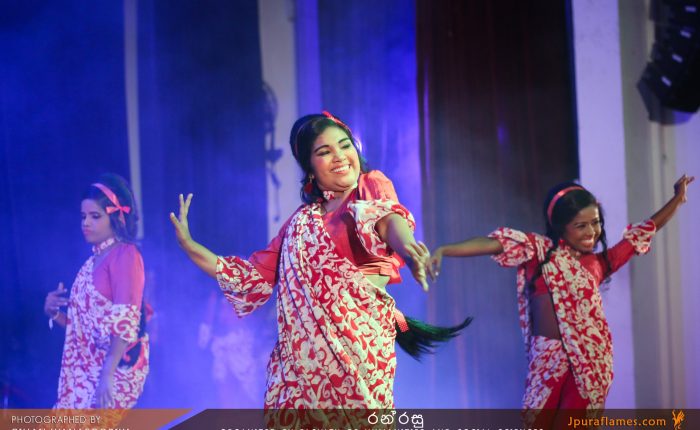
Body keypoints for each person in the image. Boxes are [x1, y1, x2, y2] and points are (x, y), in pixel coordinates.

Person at [171, 112, 469, 409]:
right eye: (325, 152)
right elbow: (250, 277)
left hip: (358, 364)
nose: (339, 156)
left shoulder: (369, 187)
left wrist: (409, 249)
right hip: (300, 378)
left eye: (345, 145)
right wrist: (190, 246)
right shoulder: (299, 224)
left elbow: (389, 219)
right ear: (310, 169)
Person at [428, 175, 693, 423]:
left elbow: (644, 232)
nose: (591, 232)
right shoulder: (539, 251)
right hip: (547, 360)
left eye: (596, 222)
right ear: (560, 226)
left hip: (590, 365)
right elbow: (493, 244)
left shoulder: (600, 263)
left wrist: (677, 200)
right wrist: (444, 250)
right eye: (581, 225)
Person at [44, 173, 149, 408]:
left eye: (95, 216)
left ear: (116, 217)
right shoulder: (91, 262)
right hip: (86, 374)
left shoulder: (125, 254)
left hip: (112, 373)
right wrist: (54, 313)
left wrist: (106, 375)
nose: (86, 223)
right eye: (83, 217)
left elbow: (125, 320)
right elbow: (83, 332)